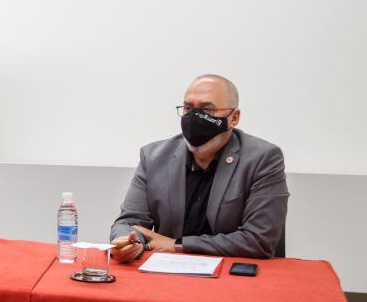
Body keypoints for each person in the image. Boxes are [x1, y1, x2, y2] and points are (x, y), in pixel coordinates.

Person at [110, 74, 288, 261]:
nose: (195, 117)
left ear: (234, 117)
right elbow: (129, 222)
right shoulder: (154, 156)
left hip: (233, 277)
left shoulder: (263, 158)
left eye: (207, 109)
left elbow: (259, 240)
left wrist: (177, 245)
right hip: (167, 274)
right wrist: (129, 242)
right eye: (188, 108)